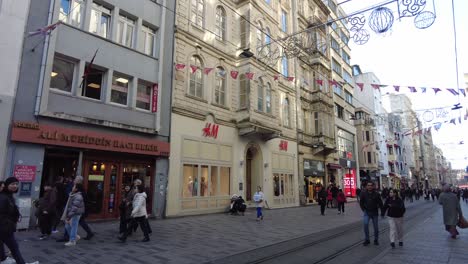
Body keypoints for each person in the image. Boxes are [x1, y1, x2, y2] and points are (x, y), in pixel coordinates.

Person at [0, 177, 39, 264]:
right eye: (12, 184)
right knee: (14, 248)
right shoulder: (3, 197)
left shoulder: (8, 195)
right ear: (7, 185)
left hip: (4, 227)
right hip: (5, 228)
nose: (15, 186)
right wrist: (9, 224)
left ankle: (3, 259)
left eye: (17, 184)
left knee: (1, 243)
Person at [360, 181, 383, 246]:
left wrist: (382, 212)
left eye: (370, 185)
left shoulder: (376, 194)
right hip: (367, 212)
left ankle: (376, 239)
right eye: (368, 185)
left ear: (373, 186)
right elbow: (361, 202)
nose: (369, 186)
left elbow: (380, 203)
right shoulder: (363, 194)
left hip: (374, 212)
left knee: (376, 227)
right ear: (366, 186)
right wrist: (363, 209)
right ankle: (367, 239)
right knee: (365, 225)